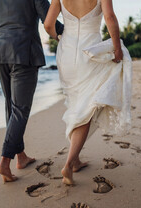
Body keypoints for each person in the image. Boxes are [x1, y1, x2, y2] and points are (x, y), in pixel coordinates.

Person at [44, 0, 132, 185]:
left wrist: (58, 38)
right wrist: (117, 48)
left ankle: (75, 160)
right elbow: (109, 17)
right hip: (90, 53)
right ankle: (69, 163)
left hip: (66, 54)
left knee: (77, 104)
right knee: (87, 107)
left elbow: (48, 25)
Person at [0, 0, 64, 183]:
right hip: (24, 52)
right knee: (20, 109)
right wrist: (74, 32)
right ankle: (4, 161)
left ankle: (21, 156)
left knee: (11, 106)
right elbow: (49, 20)